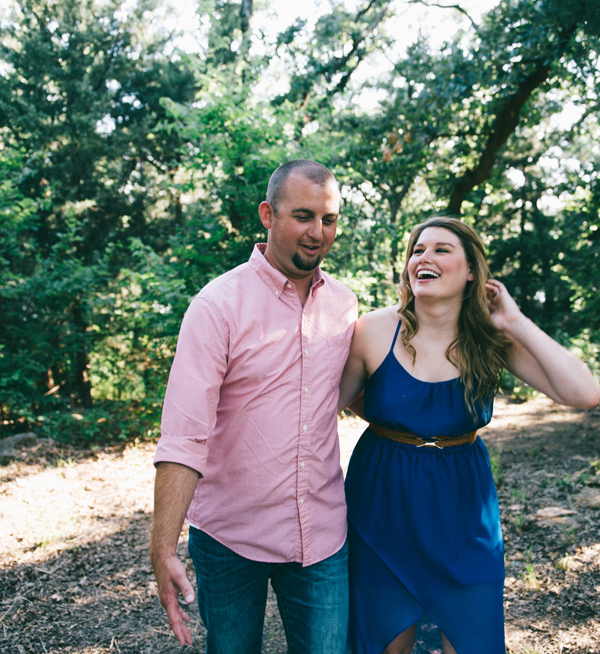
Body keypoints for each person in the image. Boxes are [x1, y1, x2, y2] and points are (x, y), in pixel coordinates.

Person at [338, 217, 600, 654]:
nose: (425, 257)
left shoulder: (490, 337)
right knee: (386, 645)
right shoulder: (374, 329)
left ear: (472, 270)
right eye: (418, 250)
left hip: (462, 507)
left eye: (442, 249)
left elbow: (585, 393)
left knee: (470, 640)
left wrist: (514, 321)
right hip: (382, 502)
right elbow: (326, 404)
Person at [149, 160, 358, 654]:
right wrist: (163, 547)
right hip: (229, 537)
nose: (318, 232)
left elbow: (363, 394)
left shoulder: (346, 306)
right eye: (303, 216)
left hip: (322, 537)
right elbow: (184, 436)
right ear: (267, 214)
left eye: (329, 219)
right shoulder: (217, 305)